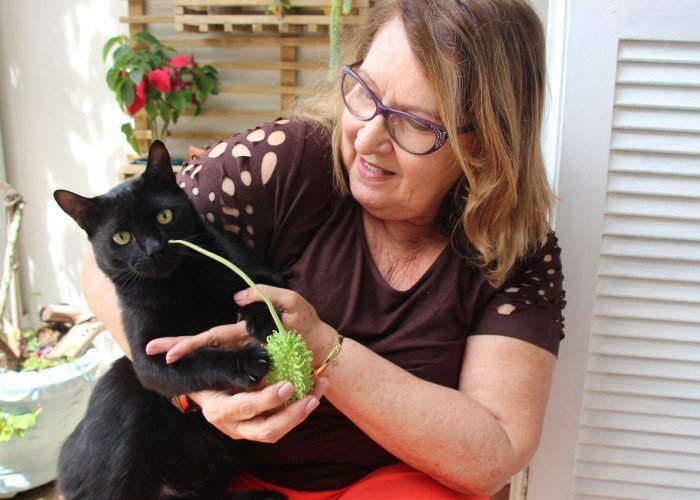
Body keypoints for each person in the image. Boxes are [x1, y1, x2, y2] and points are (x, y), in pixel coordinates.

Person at [81, 0, 566, 497]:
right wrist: (199, 392)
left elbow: (496, 451)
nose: (368, 138)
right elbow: (100, 261)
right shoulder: (288, 161)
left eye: (417, 123)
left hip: (390, 481)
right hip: (229, 475)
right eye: (366, 92)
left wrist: (325, 348)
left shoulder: (515, 248)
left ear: (485, 143)